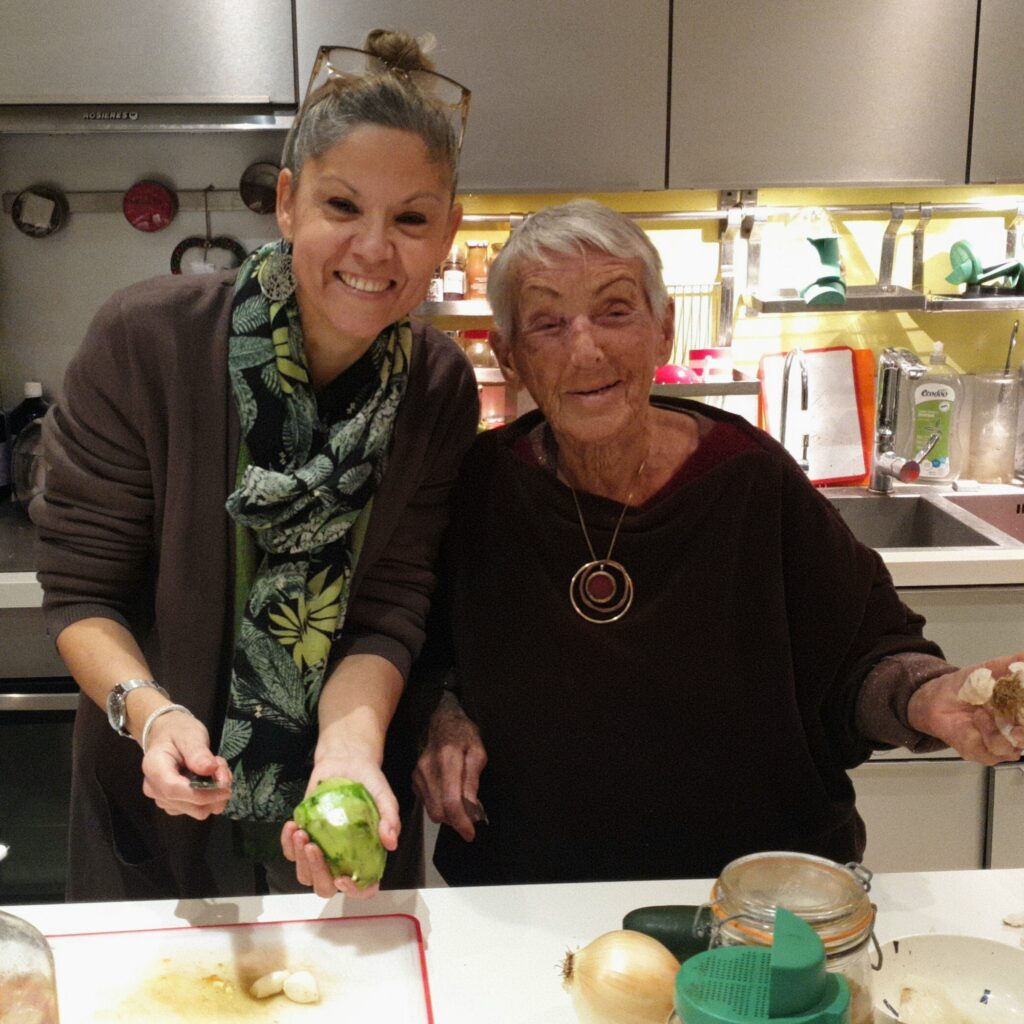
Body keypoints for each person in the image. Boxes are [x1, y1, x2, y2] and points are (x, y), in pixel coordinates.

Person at [410, 199, 1024, 886]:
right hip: (535, 892)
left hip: (758, 891)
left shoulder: (749, 477)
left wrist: (927, 698)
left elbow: (863, 654)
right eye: (548, 324)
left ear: (663, 330)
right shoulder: (478, 490)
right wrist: (441, 711)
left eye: (616, 311)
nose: (587, 350)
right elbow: (419, 649)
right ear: (510, 356)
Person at [33, 30, 479, 901]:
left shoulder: (436, 387)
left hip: (342, 813)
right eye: (343, 206)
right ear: (287, 202)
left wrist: (347, 755)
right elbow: (82, 595)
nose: (374, 249)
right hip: (154, 799)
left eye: (412, 219)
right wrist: (150, 713)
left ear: (448, 232)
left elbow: (389, 606)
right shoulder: (146, 340)